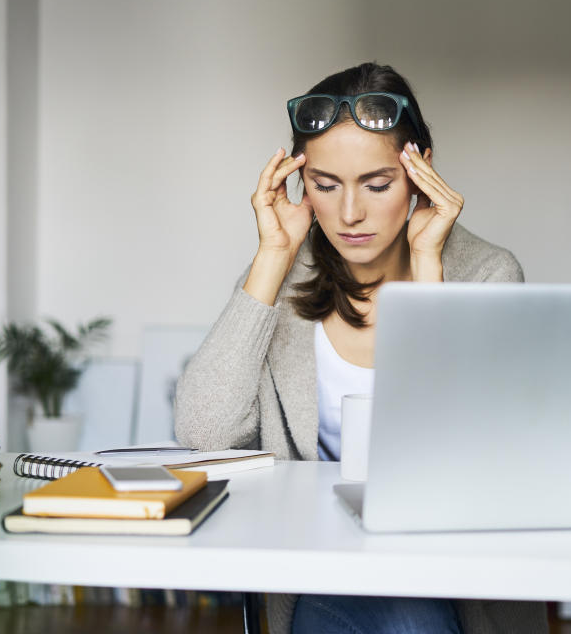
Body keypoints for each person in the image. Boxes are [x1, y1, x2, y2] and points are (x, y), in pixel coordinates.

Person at [175, 62, 546, 634]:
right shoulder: (280, 277)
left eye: (376, 185)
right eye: (325, 186)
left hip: (447, 570)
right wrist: (272, 255)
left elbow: (469, 455)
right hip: (320, 570)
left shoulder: (488, 275)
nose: (349, 215)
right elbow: (204, 431)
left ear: (419, 173)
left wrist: (428, 269)